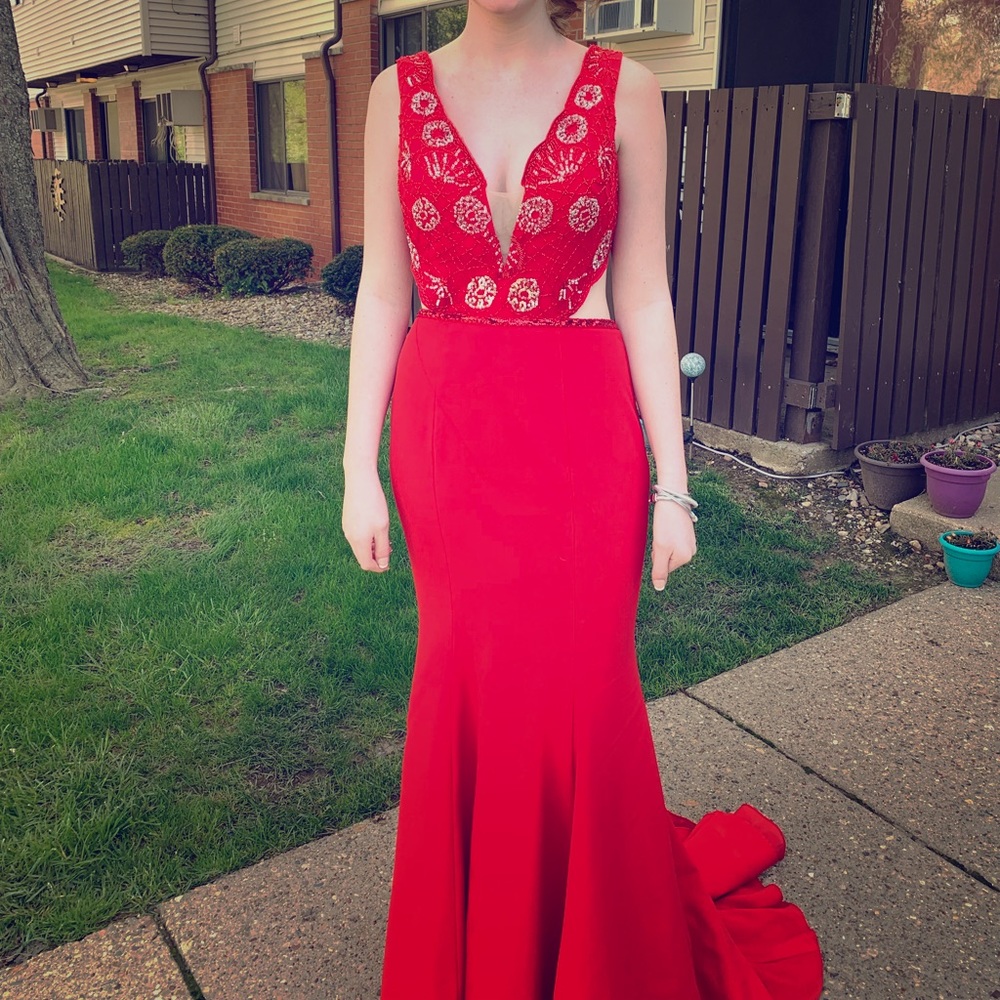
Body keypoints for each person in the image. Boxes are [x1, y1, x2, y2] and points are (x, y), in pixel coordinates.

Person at [341, 0, 825, 994]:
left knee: (583, 698)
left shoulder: (627, 90)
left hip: (581, 438)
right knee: (465, 690)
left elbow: (642, 292)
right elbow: (384, 290)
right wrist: (357, 469)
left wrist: (675, 487)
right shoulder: (396, 92)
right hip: (448, 441)